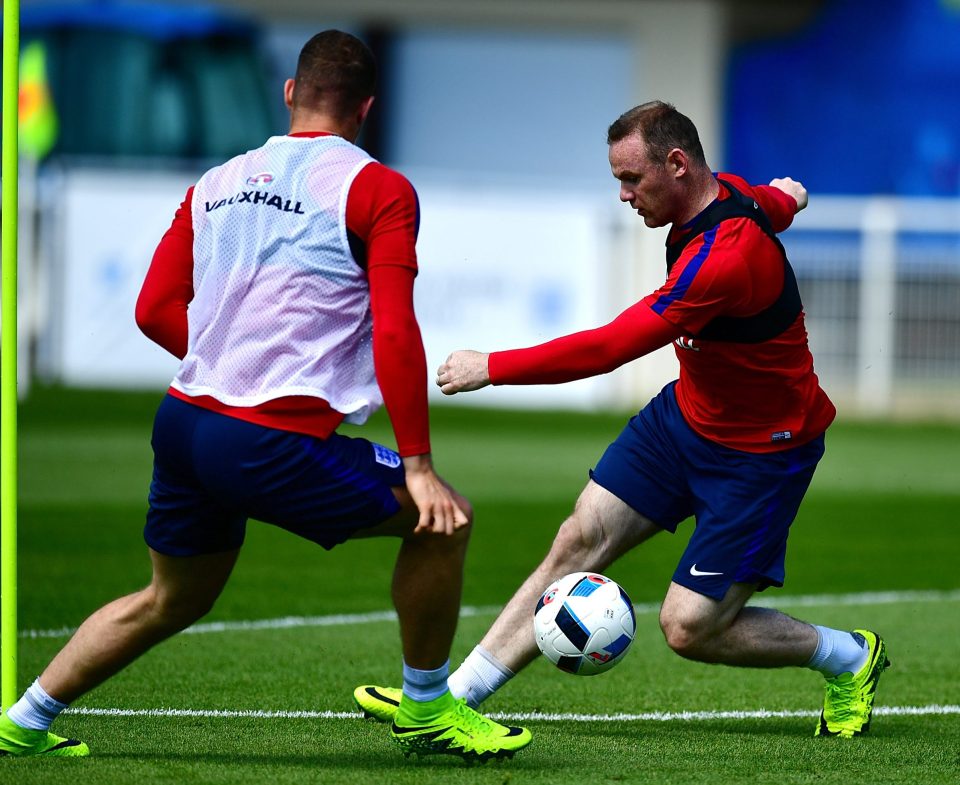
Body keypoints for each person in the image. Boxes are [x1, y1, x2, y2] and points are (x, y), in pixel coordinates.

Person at [0, 30, 531, 762]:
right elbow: (396, 332)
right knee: (444, 521)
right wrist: (417, 462)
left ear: (289, 92)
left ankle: (23, 720)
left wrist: (228, 366)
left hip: (184, 421)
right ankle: (428, 705)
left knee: (172, 597)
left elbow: (153, 309)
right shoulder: (377, 188)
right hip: (268, 437)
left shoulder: (217, 181)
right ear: (367, 108)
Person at [354, 100, 889, 740]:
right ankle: (445, 703)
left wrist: (491, 366)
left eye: (632, 179)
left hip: (762, 455)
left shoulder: (722, 260)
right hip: (683, 421)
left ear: (677, 163)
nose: (624, 195)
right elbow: (764, 203)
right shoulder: (730, 197)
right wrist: (787, 200)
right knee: (577, 541)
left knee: (688, 629)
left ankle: (848, 656)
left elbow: (608, 349)